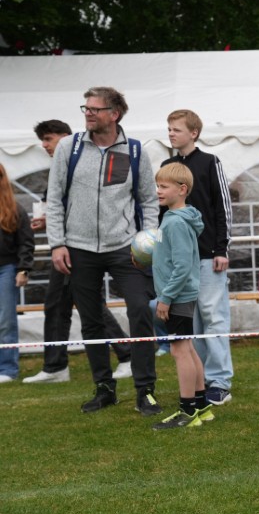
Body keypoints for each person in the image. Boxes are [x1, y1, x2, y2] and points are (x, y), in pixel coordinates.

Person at [45, 87, 160, 415]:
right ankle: (104, 388)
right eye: (86, 108)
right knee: (91, 320)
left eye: (95, 109)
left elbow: (149, 200)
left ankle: (145, 390)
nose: (88, 113)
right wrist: (57, 243)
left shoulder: (135, 151)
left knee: (140, 311)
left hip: (125, 247)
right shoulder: (68, 147)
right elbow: (54, 198)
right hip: (78, 248)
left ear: (115, 114)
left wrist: (146, 241)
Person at [23, 120, 134, 384]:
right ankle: (56, 365)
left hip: (80, 248)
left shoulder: (84, 164)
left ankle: (126, 356)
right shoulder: (60, 167)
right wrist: (50, 224)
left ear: (65, 137)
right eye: (42, 140)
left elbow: (92, 206)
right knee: (60, 305)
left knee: (87, 305)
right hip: (66, 247)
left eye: (48, 139)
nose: (44, 145)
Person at [161, 109, 234, 405]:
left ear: (193, 133)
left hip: (208, 256)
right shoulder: (167, 167)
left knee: (214, 316)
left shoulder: (210, 162)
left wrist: (221, 249)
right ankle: (200, 381)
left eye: (176, 129)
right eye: (169, 129)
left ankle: (220, 381)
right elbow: (162, 213)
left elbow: (222, 207)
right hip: (181, 261)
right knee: (192, 322)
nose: (171, 133)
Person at [149, 163, 211, 430]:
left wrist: (166, 297)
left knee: (179, 350)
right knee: (187, 347)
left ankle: (187, 411)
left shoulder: (175, 222)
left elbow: (183, 266)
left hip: (177, 296)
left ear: (182, 189)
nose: (158, 191)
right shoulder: (175, 218)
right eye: (158, 185)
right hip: (181, 295)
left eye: (164, 186)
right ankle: (201, 405)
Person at [0, 163, 34, 383]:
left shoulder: (15, 209)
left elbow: (26, 242)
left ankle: (7, 369)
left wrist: (23, 269)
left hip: (6, 268)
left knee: (6, 320)